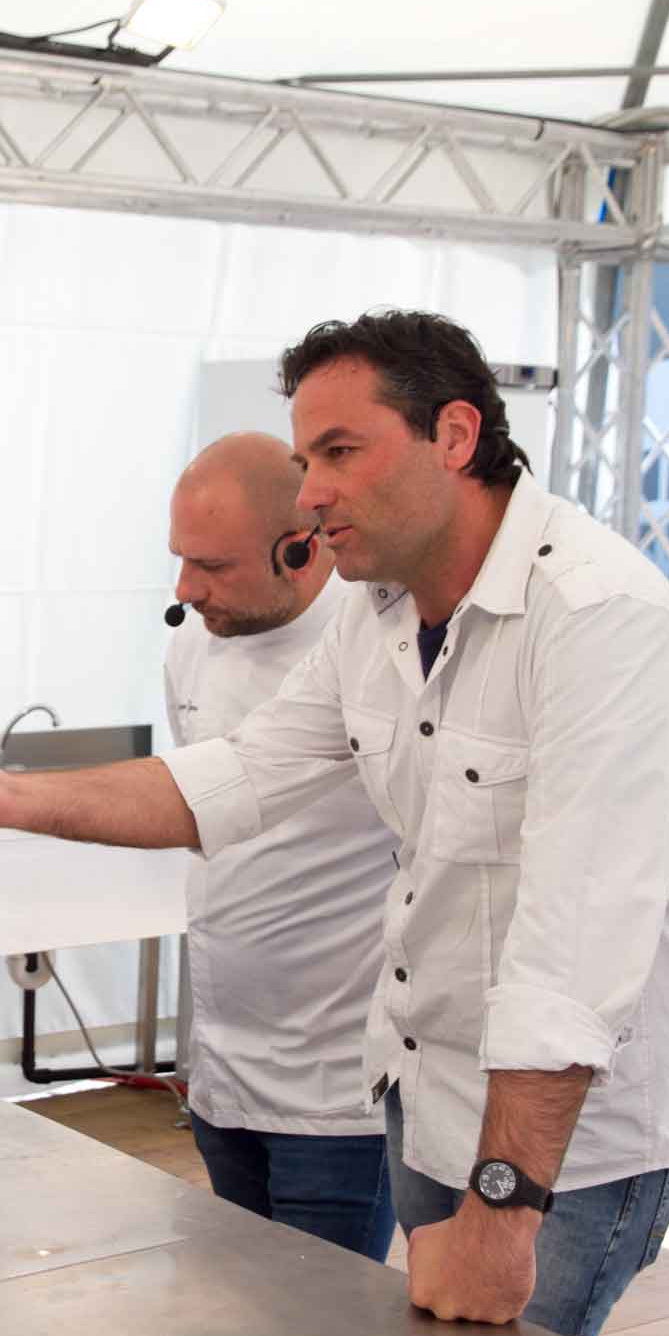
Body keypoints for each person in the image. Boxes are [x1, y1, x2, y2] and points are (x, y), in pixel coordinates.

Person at [0, 311, 669, 1336]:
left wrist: (503, 1207)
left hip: (566, 1152)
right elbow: (233, 780)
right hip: (429, 1098)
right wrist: (7, 798)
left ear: (453, 437)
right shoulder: (383, 618)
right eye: (303, 458)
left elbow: (573, 948)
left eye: (338, 452)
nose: (311, 492)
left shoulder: (595, 619)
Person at [164, 432, 397, 1260]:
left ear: (302, 550)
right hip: (223, 1077)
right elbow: (201, 814)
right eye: (180, 560)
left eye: (213, 567)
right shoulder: (193, 643)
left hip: (337, 1099)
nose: (186, 590)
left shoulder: (377, 655)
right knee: (246, 1312)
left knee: (323, 1328)